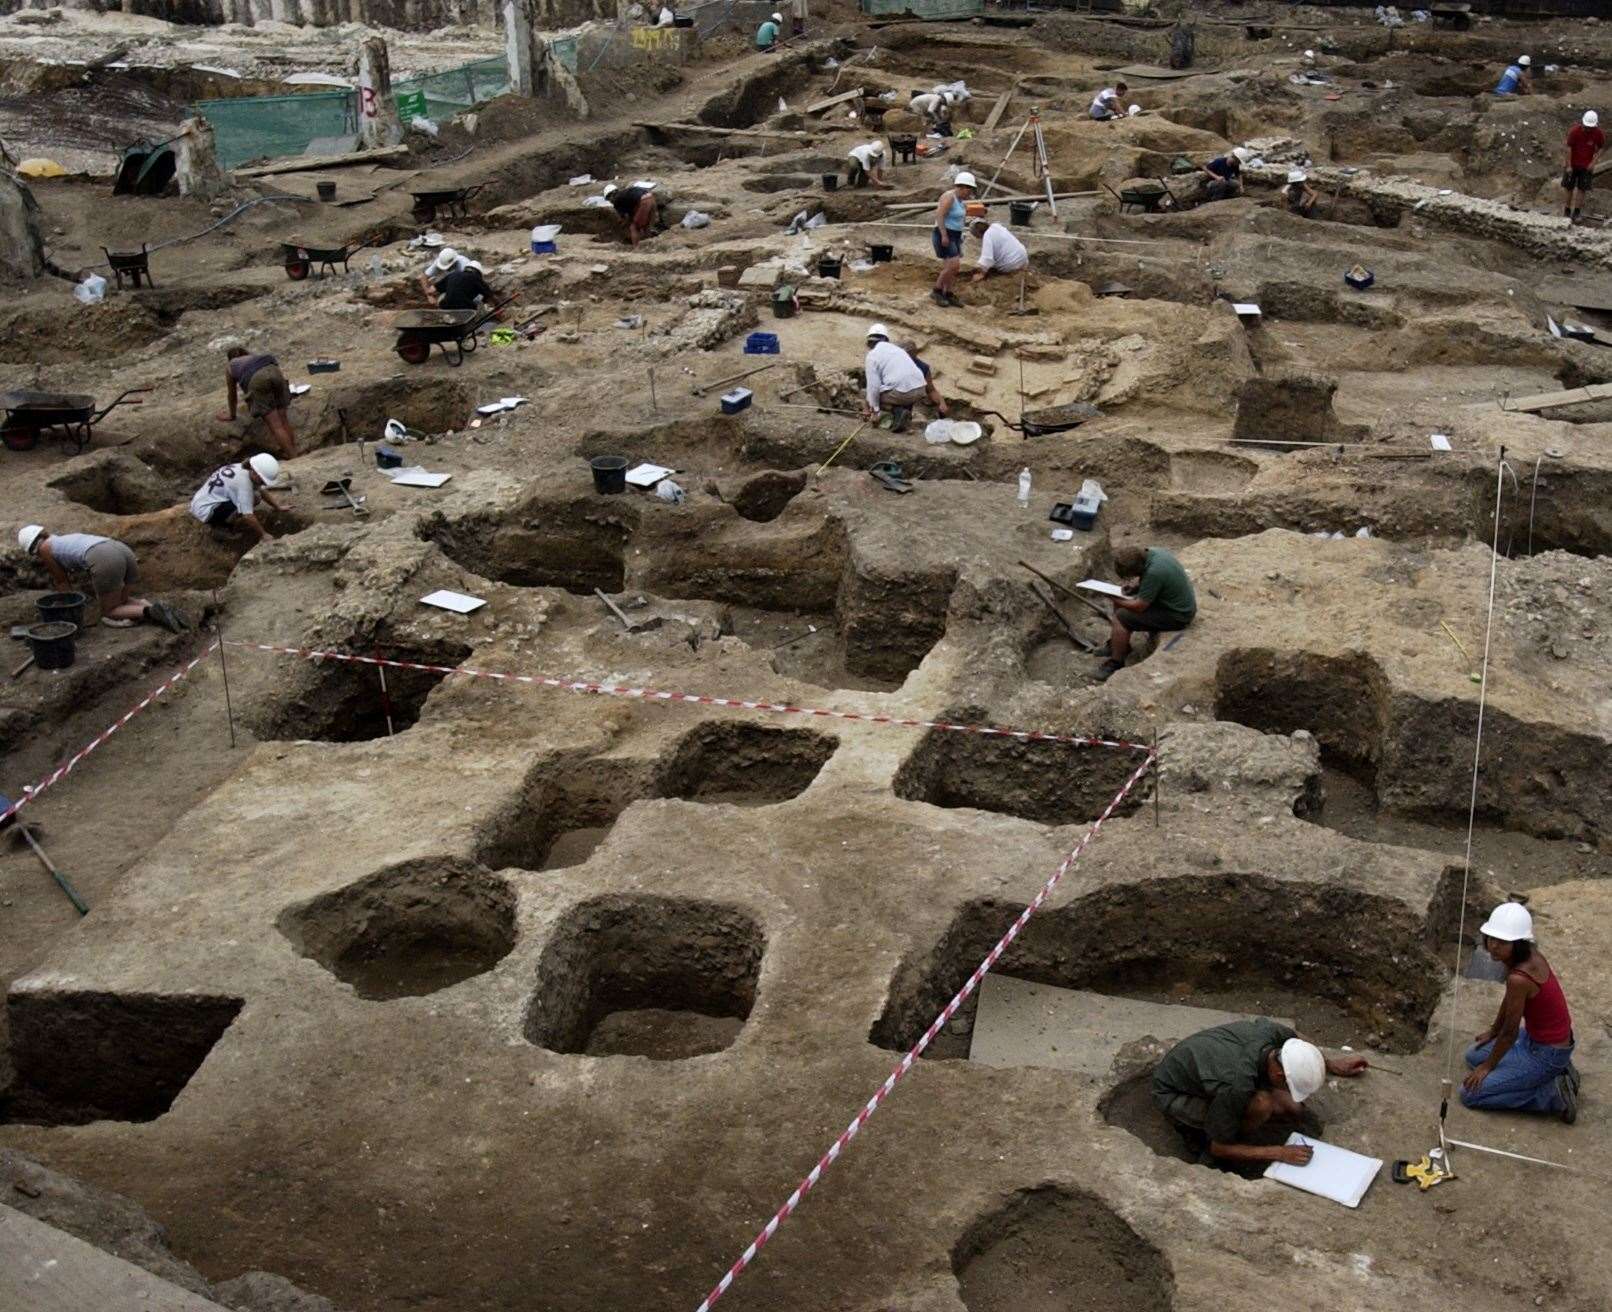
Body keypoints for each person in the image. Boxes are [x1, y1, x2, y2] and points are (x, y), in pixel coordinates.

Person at [1152, 1019, 1369, 1167]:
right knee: (1263, 1105)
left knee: (1292, 1107)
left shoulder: (1272, 1036)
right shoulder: (1236, 1085)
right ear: (1280, 1076)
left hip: (1210, 1066)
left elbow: (1297, 1039)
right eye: (1289, 1086)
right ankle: (1205, 1151)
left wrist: (1330, 1064)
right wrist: (1279, 1153)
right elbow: (1219, 1147)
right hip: (1175, 1093)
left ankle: (1233, 1125)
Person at [1461, 902, 1579, 1123]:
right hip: (1538, 1040)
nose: (1493, 946)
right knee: (1472, 1056)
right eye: (1491, 938)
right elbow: (1510, 1001)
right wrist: (1493, 1031)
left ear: (1517, 943)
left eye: (1502, 942)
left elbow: (1510, 1032)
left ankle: (1553, 1094)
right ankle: (1556, 1072)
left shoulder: (1520, 977)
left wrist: (1488, 1067)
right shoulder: (1524, 957)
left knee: (1470, 1093)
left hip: (1547, 1053)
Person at [17, 526, 186, 633]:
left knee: (110, 611)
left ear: (32, 548)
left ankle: (149, 612)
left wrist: (66, 607)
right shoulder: (62, 540)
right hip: (122, 550)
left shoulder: (45, 549)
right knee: (123, 600)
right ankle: (156, 607)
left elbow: (62, 583)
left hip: (105, 558)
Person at [1098, 544, 1195, 680]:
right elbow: (1149, 579)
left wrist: (1113, 598)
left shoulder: (1154, 572)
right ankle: (1117, 644)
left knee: (1121, 616)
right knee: (1122, 602)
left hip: (1178, 615)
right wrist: (1135, 587)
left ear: (1138, 568)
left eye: (1133, 575)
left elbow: (1139, 606)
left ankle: (1116, 662)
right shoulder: (1155, 552)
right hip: (1173, 604)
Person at [217, 344, 296, 459]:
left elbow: (232, 394)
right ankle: (294, 451)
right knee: (284, 420)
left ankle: (293, 457)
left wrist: (232, 415)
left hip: (257, 379)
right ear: (245, 353)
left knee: (276, 425)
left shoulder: (230, 365)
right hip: (274, 371)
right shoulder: (255, 357)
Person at [189, 454, 287, 545]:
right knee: (251, 499)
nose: (264, 483)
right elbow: (248, 515)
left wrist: (277, 507)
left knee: (255, 496)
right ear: (256, 474)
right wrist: (264, 534)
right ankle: (221, 527)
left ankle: (224, 519)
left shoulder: (242, 467)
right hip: (205, 510)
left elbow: (260, 490)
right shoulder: (244, 484)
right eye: (263, 480)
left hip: (204, 499)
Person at [862, 324, 929, 433]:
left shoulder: (872, 356)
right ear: (886, 340)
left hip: (904, 393)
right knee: (890, 389)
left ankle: (898, 412)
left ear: (869, 342)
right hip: (921, 388)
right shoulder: (897, 350)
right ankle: (902, 416)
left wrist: (875, 412)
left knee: (873, 396)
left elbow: (873, 387)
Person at [931, 171, 975, 308]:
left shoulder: (961, 201)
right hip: (945, 233)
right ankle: (937, 290)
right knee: (953, 265)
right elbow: (939, 215)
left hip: (955, 235)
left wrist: (960, 237)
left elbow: (959, 220)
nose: (970, 193)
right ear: (962, 187)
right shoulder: (949, 197)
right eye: (969, 190)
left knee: (953, 268)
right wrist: (944, 235)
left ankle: (948, 292)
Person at [1564, 110, 1604, 224]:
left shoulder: (1598, 133)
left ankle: (1576, 212)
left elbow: (1601, 147)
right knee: (1569, 187)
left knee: (1582, 189)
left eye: (1590, 127)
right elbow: (1568, 148)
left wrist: (1593, 162)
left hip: (1586, 166)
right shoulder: (1574, 131)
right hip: (1573, 164)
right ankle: (1567, 210)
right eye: (1586, 126)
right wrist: (1568, 165)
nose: (1587, 129)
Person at [897, 338, 948, 417]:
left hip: (905, 403)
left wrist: (941, 403)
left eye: (912, 354)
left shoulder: (922, 367)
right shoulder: (891, 362)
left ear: (915, 353)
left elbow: (931, 390)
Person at [603, 182, 659, 247]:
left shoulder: (617, 200)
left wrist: (622, 225)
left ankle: (636, 248)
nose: (610, 201)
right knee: (646, 226)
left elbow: (625, 217)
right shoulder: (626, 194)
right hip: (651, 198)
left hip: (644, 202)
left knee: (634, 227)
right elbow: (632, 212)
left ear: (611, 195)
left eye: (608, 199)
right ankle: (649, 245)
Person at [428, 258, 493, 311]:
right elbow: (491, 296)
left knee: (442, 296)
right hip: (467, 310)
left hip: (446, 307)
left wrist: (431, 298)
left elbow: (431, 290)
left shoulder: (452, 275)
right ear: (479, 272)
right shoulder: (476, 278)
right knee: (479, 299)